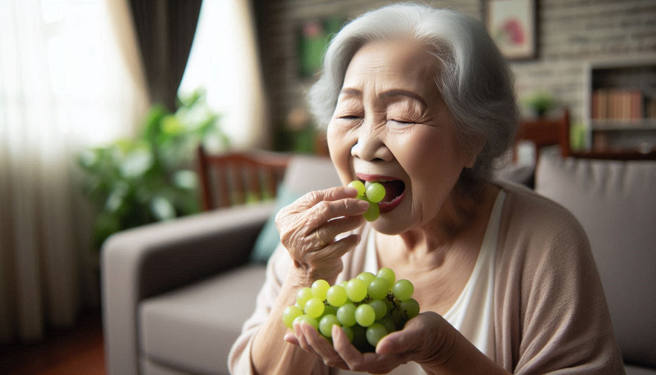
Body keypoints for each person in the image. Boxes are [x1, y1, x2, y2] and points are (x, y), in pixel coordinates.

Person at [229, 3, 624, 374]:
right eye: (349, 113)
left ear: (472, 139)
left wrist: (444, 354)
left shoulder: (548, 241)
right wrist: (301, 277)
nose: (365, 145)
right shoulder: (317, 241)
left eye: (402, 117)